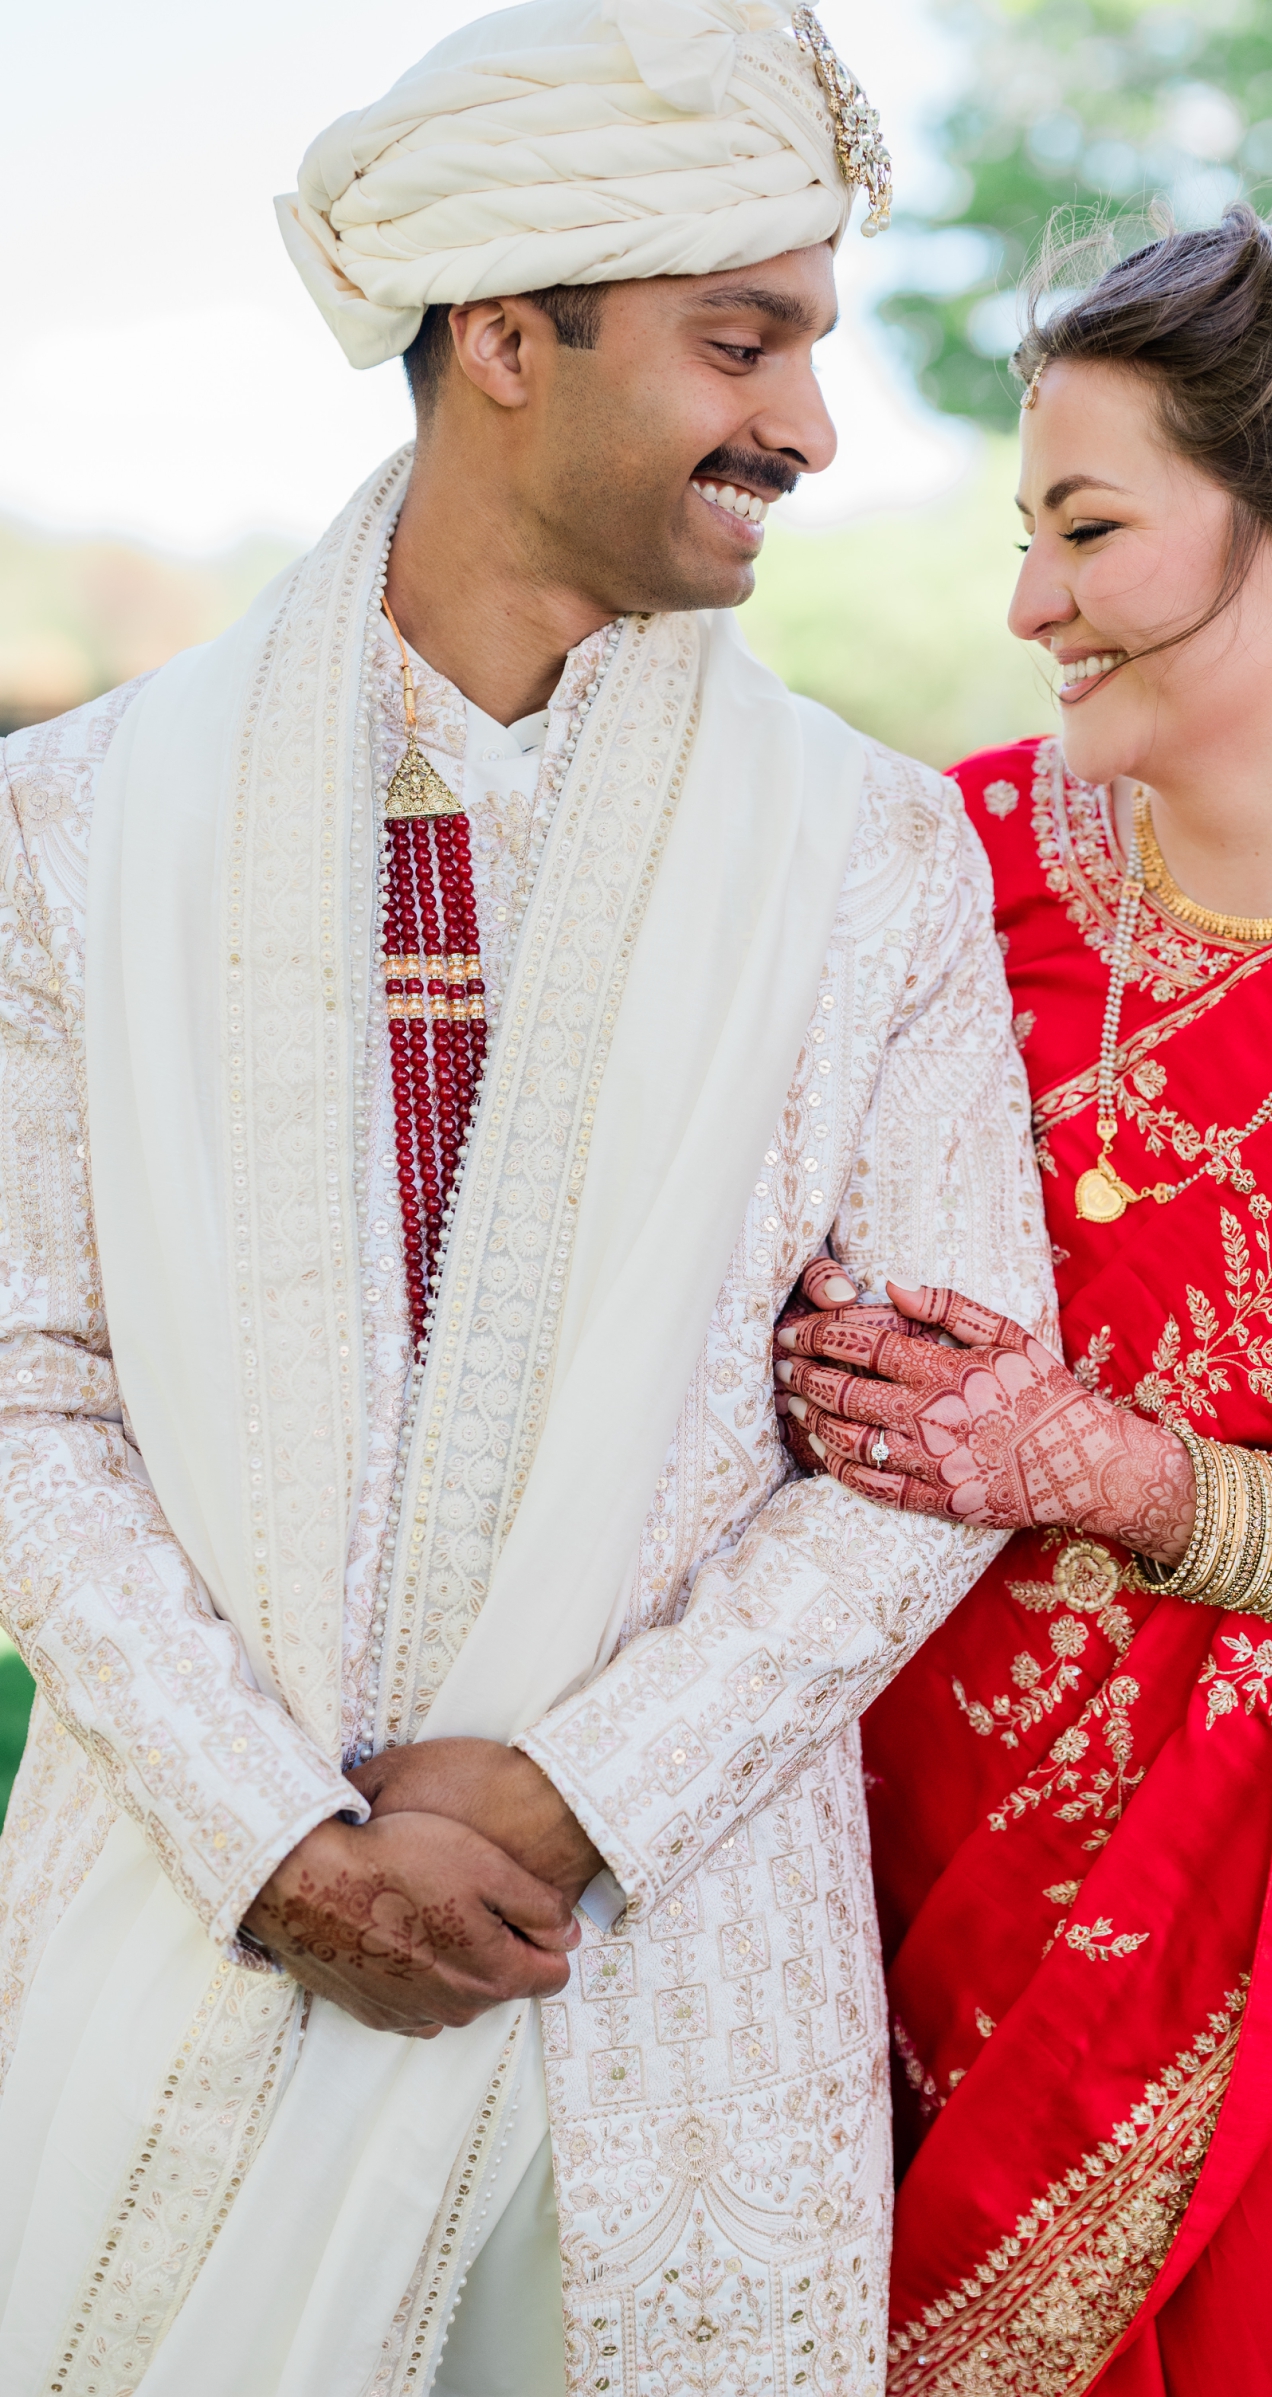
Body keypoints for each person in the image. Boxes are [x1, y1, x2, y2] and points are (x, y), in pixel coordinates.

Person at [0, 7, 1052, 2392]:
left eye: (807, 341)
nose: (804, 422)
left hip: (666, 1987)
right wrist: (277, 1825)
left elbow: (944, 1436)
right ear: (502, 335)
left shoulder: (866, 850)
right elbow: (18, 1380)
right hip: (190, 1933)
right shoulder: (69, 827)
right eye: (739, 338)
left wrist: (589, 1788)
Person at [776, 208, 1272, 2396]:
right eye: (1024, 532)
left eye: (1089, 526)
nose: (1026, 600)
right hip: (820, 1861)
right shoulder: (936, 868)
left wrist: (1130, 1479)